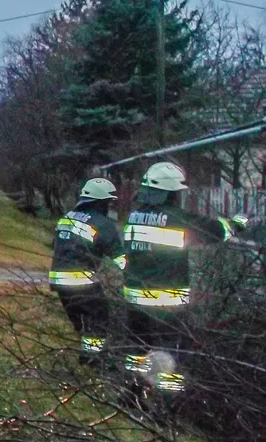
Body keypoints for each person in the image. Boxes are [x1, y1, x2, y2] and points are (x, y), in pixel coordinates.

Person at [122, 161, 244, 396]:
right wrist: (240, 223)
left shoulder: (134, 216)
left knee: (137, 348)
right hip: (167, 301)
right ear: (171, 194)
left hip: (135, 297)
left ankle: (131, 393)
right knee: (171, 351)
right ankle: (165, 408)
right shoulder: (178, 218)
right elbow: (217, 232)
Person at [49, 177, 126, 366]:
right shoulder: (103, 224)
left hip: (58, 280)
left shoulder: (66, 217)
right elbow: (120, 259)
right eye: (109, 202)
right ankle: (93, 361)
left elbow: (57, 245)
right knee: (98, 318)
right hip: (81, 280)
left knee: (82, 321)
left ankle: (87, 355)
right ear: (102, 202)